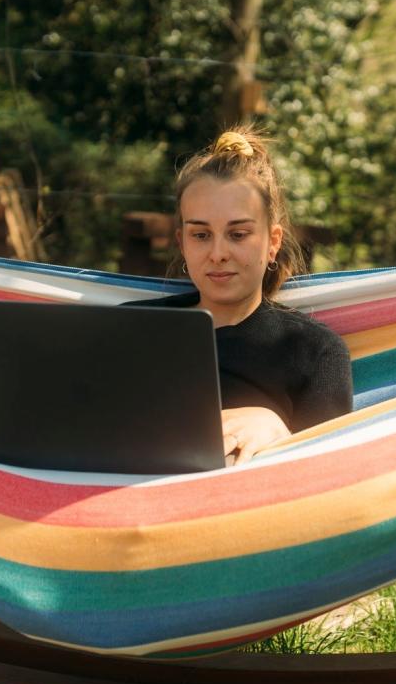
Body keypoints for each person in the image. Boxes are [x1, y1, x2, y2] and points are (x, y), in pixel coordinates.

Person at [128, 127, 353, 465]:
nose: (218, 253)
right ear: (182, 242)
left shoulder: (314, 352)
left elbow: (331, 480)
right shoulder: (132, 328)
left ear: (273, 241)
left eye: (238, 234)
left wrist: (278, 429)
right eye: (201, 234)